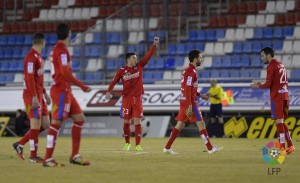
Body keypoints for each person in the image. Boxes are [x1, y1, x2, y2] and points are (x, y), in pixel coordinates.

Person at [43, 23, 91, 167]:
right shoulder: (62, 51)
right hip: (61, 91)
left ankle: (74, 156)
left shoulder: (58, 49)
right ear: (68, 34)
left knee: (79, 118)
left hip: (66, 91)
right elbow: (64, 73)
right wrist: (82, 85)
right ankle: (48, 159)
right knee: (56, 123)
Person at [163, 49, 223, 155]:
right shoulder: (191, 71)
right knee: (201, 123)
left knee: (180, 125)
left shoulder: (188, 70)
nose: (202, 59)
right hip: (189, 102)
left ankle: (167, 147)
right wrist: (190, 105)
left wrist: (201, 95)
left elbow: (190, 88)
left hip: (184, 101)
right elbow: (187, 88)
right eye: (200, 58)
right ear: (195, 59)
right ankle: (210, 148)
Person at [105, 37, 159, 151]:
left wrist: (154, 45)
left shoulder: (139, 66)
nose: (136, 59)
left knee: (138, 121)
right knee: (126, 121)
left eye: (136, 58)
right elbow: (114, 81)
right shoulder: (121, 70)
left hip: (137, 98)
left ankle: (138, 145)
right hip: (126, 99)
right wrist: (109, 91)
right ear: (128, 59)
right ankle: (127, 143)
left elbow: (148, 56)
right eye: (134, 58)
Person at [12, 33, 51, 163]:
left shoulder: (38, 57)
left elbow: (37, 79)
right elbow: (29, 79)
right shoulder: (30, 58)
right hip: (32, 95)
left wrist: (44, 93)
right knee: (35, 125)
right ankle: (33, 156)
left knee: (45, 124)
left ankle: (20, 144)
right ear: (43, 42)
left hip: (39, 94)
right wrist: (34, 96)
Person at [250, 47, 294, 155]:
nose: (262, 58)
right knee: (282, 122)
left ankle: (282, 148)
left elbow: (268, 84)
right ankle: (291, 145)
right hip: (285, 96)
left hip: (277, 97)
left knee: (279, 123)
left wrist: (257, 86)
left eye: (263, 56)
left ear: (269, 55)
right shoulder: (281, 65)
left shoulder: (271, 66)